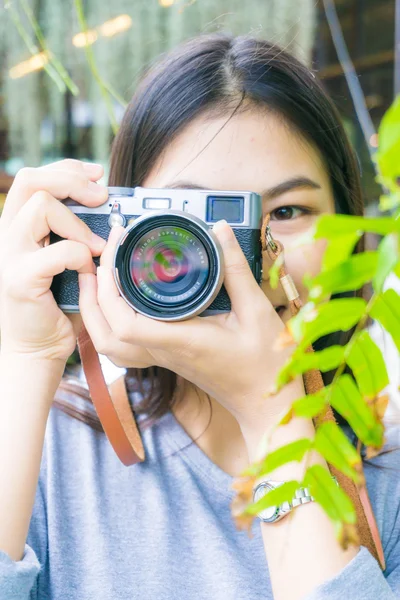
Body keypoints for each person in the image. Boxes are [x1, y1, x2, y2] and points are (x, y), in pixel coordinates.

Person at [0, 33, 399, 600]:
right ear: (117, 229)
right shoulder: (49, 447)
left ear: (349, 231)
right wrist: (26, 360)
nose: (243, 259)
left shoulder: (390, 472)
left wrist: (274, 415)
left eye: (286, 211)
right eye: (187, 216)